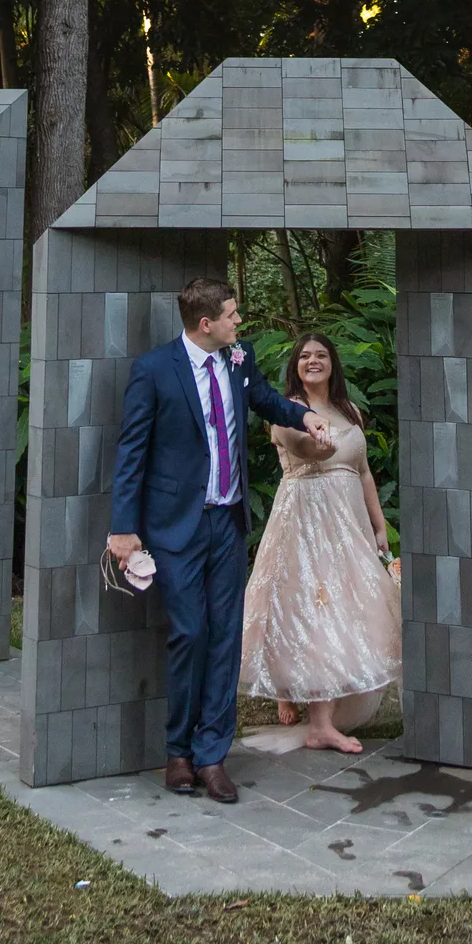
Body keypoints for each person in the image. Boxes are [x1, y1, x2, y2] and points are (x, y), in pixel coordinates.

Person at [107, 274, 331, 804]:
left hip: (226, 524)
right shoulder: (155, 370)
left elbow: (268, 401)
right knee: (190, 633)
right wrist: (122, 526)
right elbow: (131, 450)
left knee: (226, 636)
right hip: (176, 526)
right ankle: (177, 752)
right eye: (232, 315)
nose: (239, 322)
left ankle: (212, 758)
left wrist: (304, 414)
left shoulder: (239, 358)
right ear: (205, 324)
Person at [240, 331, 401, 755]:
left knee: (346, 608)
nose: (313, 361)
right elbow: (307, 451)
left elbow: (364, 471)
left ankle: (308, 702)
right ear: (295, 364)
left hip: (348, 523)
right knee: (310, 609)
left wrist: (378, 524)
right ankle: (318, 722)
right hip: (306, 522)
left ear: (333, 363)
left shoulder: (349, 410)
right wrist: (320, 440)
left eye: (322, 355)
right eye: (305, 356)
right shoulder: (285, 410)